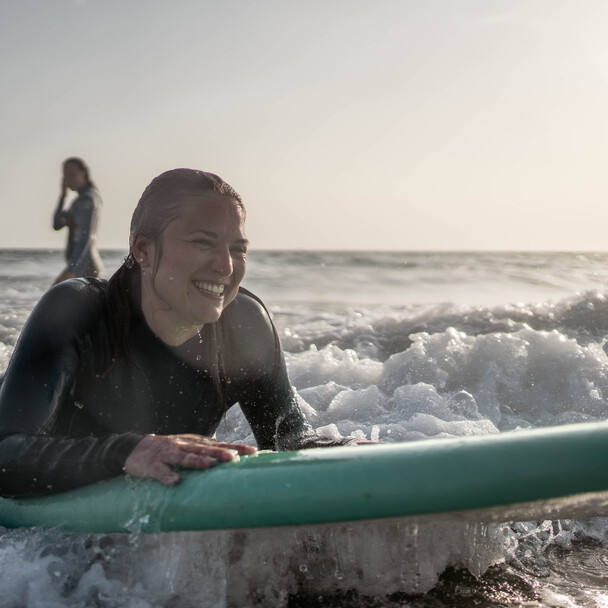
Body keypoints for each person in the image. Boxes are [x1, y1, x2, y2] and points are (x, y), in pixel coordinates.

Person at [0, 168, 358, 498]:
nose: (225, 265)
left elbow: (290, 442)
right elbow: (6, 452)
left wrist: (360, 457)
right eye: (203, 243)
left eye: (237, 249)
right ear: (143, 249)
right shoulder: (76, 311)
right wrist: (126, 451)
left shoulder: (245, 325)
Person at [52, 157, 104, 284]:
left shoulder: (86, 200)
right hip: (83, 269)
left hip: (85, 270)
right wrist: (62, 197)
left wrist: (72, 270)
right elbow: (57, 224)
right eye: (65, 175)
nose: (68, 179)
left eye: (72, 174)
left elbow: (84, 238)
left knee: (51, 301)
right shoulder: (80, 201)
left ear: (84, 173)